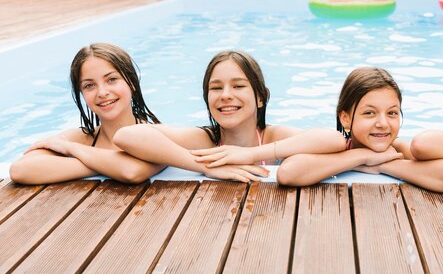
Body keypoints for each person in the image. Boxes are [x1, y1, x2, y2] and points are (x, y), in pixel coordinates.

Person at [114, 50, 346, 182]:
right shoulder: (206, 141)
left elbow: (334, 140)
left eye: (238, 86)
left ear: (260, 97)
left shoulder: (272, 136)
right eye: (216, 88)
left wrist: (251, 154)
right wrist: (204, 166)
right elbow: (127, 135)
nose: (225, 95)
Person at [276, 67, 443, 192]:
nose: (383, 123)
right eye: (369, 113)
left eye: (392, 113)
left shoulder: (400, 151)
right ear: (345, 118)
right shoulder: (332, 146)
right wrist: (361, 158)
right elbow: (287, 173)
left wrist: (384, 166)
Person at [10, 43, 165, 184]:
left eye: (111, 79)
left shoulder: (157, 136)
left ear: (131, 83)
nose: (102, 92)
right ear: (82, 93)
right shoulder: (82, 138)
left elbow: (131, 172)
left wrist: (74, 150)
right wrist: (108, 165)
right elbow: (20, 170)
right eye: (89, 85)